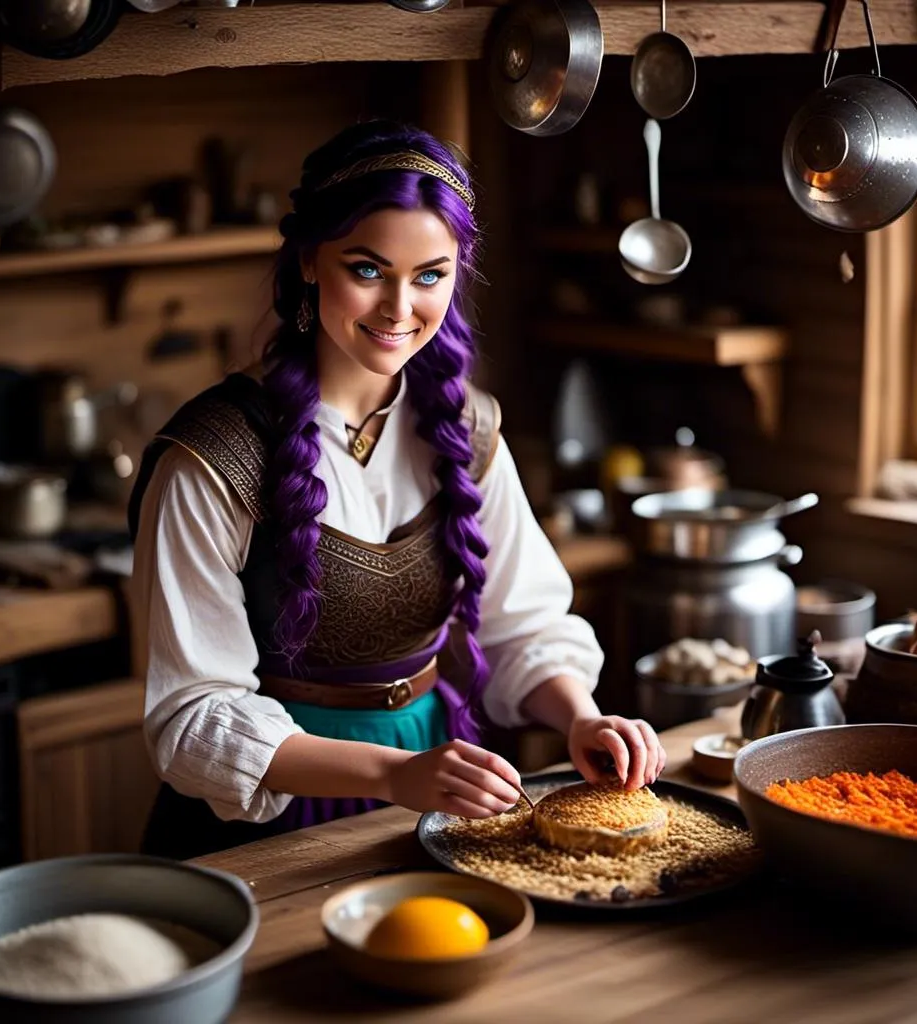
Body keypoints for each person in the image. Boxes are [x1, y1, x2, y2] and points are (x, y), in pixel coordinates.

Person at [128, 120, 666, 860]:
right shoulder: (211, 458)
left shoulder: (464, 427)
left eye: (429, 275)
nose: (398, 309)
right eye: (368, 269)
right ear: (311, 261)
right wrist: (393, 773)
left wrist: (579, 717)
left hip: (428, 782)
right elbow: (193, 717)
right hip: (265, 817)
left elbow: (524, 624)